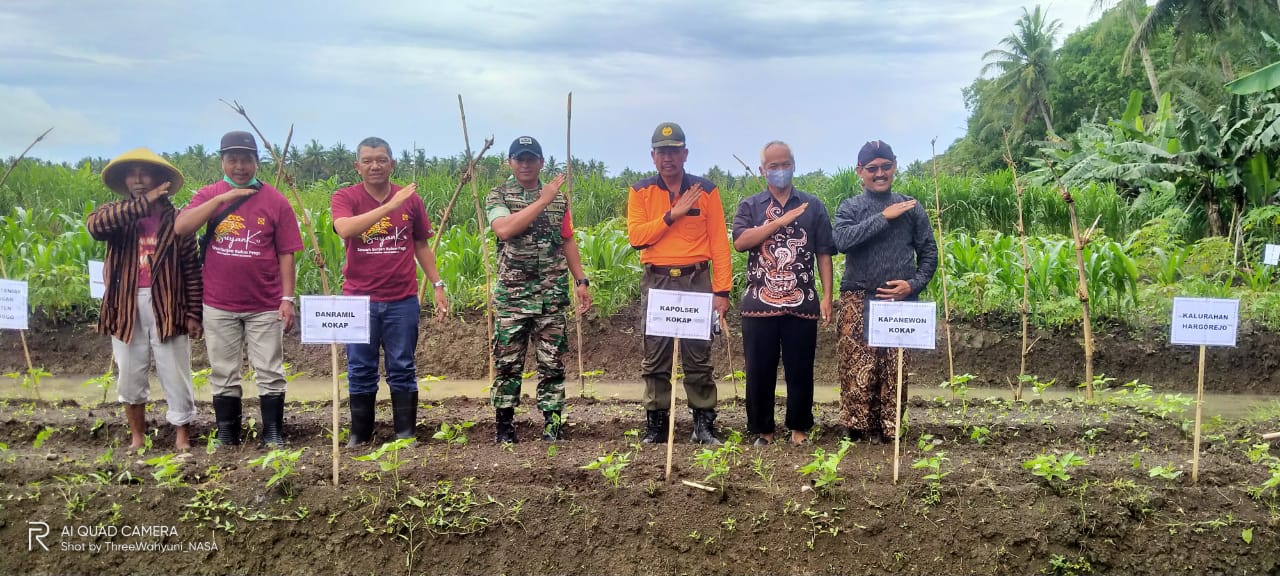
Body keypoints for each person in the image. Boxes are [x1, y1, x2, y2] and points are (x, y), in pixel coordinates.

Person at [175, 131, 304, 448]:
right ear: (222, 161)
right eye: (232, 159)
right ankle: (227, 432)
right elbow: (181, 227)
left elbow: (286, 253)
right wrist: (221, 200)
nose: (240, 166)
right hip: (218, 303)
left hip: (265, 303)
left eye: (246, 159)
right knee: (223, 371)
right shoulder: (209, 194)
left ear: (256, 162)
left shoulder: (276, 201)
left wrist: (287, 299)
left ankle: (273, 431)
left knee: (270, 370)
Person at [331, 137, 448, 446]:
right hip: (358, 300)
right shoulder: (346, 197)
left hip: (402, 300)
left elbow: (421, 244)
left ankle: (405, 434)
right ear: (357, 167)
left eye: (381, 159)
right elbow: (345, 229)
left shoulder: (410, 199)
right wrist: (390, 206)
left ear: (392, 164)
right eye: (367, 160)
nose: (375, 165)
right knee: (359, 368)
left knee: (403, 366)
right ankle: (360, 434)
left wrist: (437, 284)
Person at [88, 148, 202, 451]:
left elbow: (191, 268)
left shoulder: (177, 220)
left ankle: (182, 436)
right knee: (129, 372)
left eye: (145, 172)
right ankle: (137, 436)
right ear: (125, 181)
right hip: (125, 306)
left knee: (175, 370)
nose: (138, 179)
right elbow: (95, 227)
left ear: (159, 179)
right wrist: (143, 203)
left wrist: (194, 312)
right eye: (132, 173)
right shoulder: (115, 215)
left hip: (168, 304)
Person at [626, 122, 732, 445]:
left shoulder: (706, 190)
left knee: (698, 355)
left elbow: (719, 244)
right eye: (662, 152)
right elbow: (636, 237)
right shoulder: (640, 191)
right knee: (655, 356)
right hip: (657, 281)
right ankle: (657, 425)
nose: (668, 158)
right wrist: (673, 213)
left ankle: (703, 425)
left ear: (685, 154)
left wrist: (722, 291)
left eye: (674, 151)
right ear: (653, 156)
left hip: (696, 281)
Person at [485, 136, 592, 444]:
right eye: (520, 158)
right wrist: (542, 200)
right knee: (507, 364)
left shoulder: (559, 199)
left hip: (551, 298)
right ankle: (504, 426)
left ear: (542, 163)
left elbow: (567, 239)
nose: (526, 164)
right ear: (510, 163)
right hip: (513, 298)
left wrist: (581, 281)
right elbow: (503, 229)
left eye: (532, 158)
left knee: (552, 364)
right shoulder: (499, 194)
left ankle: (552, 424)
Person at [832, 140, 938, 444]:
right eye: (872, 168)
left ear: (895, 166)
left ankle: (889, 429)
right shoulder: (850, 207)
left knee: (895, 368)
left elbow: (929, 253)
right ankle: (856, 428)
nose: (880, 173)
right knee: (857, 366)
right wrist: (883, 217)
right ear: (860, 172)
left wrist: (913, 284)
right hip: (857, 298)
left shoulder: (912, 207)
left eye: (885, 166)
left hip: (900, 301)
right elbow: (842, 241)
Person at [731, 141, 835, 447]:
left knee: (800, 368)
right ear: (763, 170)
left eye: (785, 164)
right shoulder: (750, 206)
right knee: (759, 369)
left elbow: (824, 253)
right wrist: (780, 222)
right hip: (758, 303)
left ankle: (799, 429)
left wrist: (827, 296)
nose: (780, 171)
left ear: (794, 164)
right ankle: (763, 431)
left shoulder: (813, 205)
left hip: (802, 302)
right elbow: (740, 241)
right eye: (773, 166)